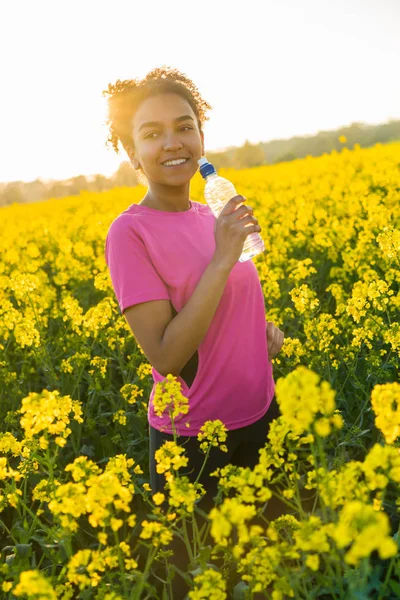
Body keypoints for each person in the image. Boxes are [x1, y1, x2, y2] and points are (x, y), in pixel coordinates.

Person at [103, 66, 286, 597]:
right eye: (151, 133)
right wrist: (224, 258)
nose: (172, 142)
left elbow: (229, 300)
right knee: (207, 582)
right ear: (131, 152)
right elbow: (165, 354)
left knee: (274, 572)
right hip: (194, 444)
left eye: (184, 126)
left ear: (202, 137)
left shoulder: (213, 210)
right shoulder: (129, 232)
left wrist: (262, 330)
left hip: (262, 416)